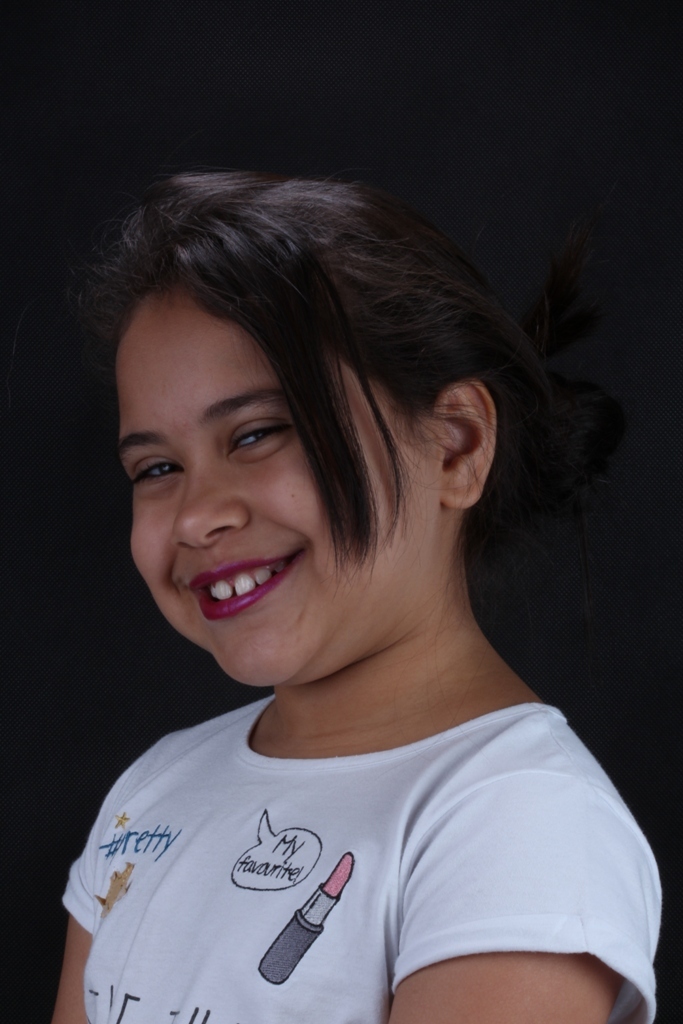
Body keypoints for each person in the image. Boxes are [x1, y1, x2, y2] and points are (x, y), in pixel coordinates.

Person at [52, 172, 660, 1024]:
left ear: (455, 447)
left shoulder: (518, 822)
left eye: (256, 433)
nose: (194, 515)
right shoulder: (156, 788)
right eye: (156, 467)